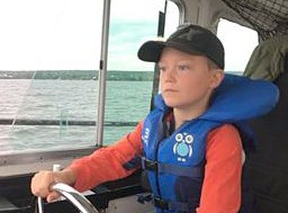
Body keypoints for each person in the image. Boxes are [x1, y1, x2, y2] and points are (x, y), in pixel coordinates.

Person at [30, 24, 278, 213]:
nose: (168, 77)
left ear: (214, 79)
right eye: (163, 68)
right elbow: (114, 158)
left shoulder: (222, 138)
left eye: (183, 67)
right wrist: (66, 176)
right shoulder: (155, 124)